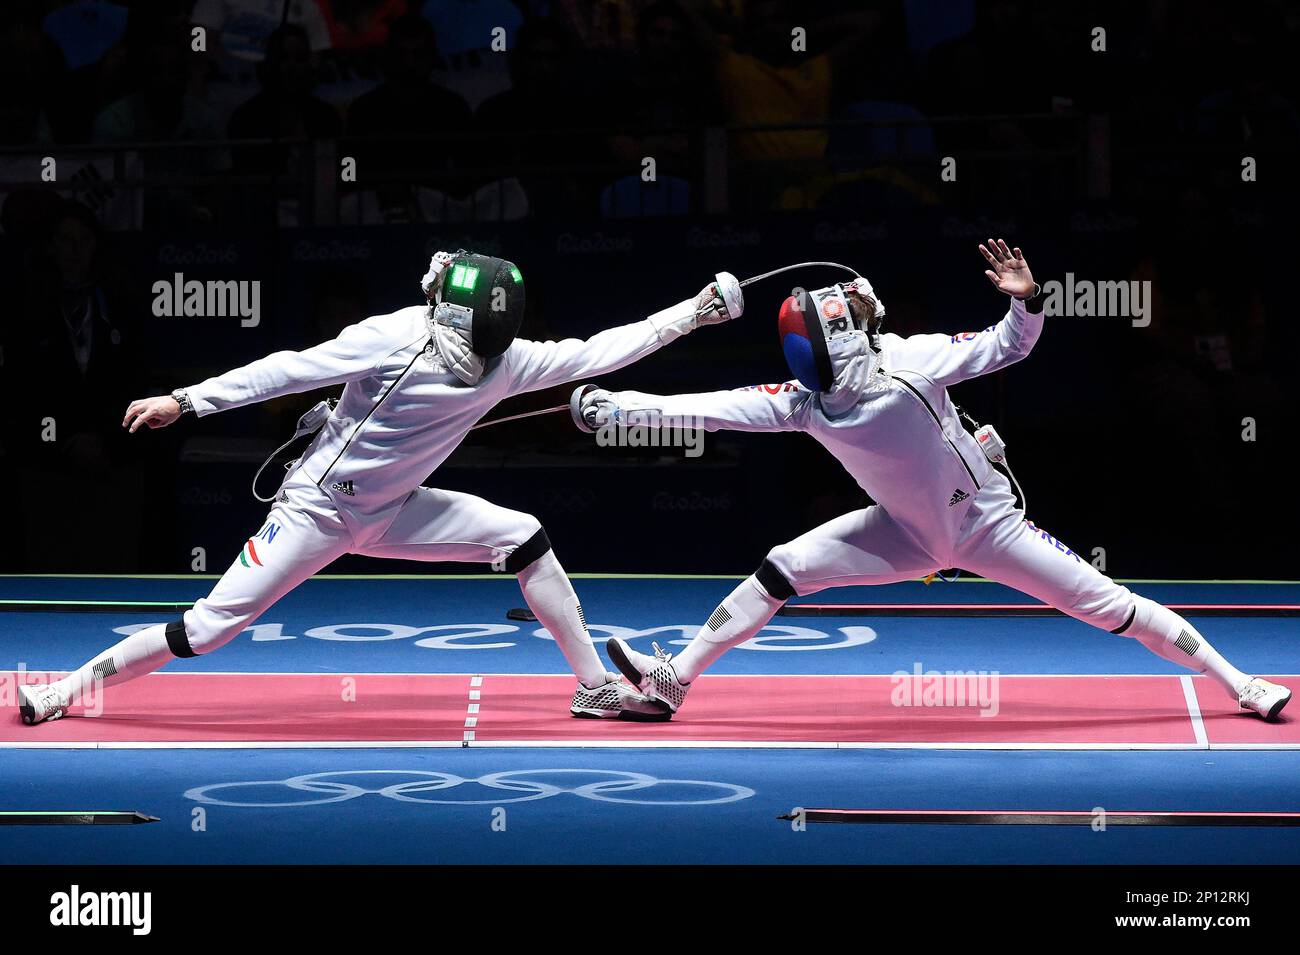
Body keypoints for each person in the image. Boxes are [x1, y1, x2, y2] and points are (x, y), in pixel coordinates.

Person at [575, 240, 1292, 722]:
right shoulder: (899, 363)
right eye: (853, 315)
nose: (863, 311)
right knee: (783, 567)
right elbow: (1011, 343)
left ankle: (1239, 683)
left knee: (1108, 605)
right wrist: (1025, 301)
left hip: (988, 524)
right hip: (908, 531)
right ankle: (673, 681)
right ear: (850, 340)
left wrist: (616, 406)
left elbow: (704, 409)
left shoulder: (810, 400)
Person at [17, 252, 743, 726]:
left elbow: (610, 346)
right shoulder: (402, 338)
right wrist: (188, 399)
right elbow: (288, 368)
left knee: (522, 535)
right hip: (316, 511)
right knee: (204, 630)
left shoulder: (498, 356)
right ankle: (65, 689)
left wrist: (695, 310)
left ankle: (592, 684)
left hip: (394, 512)